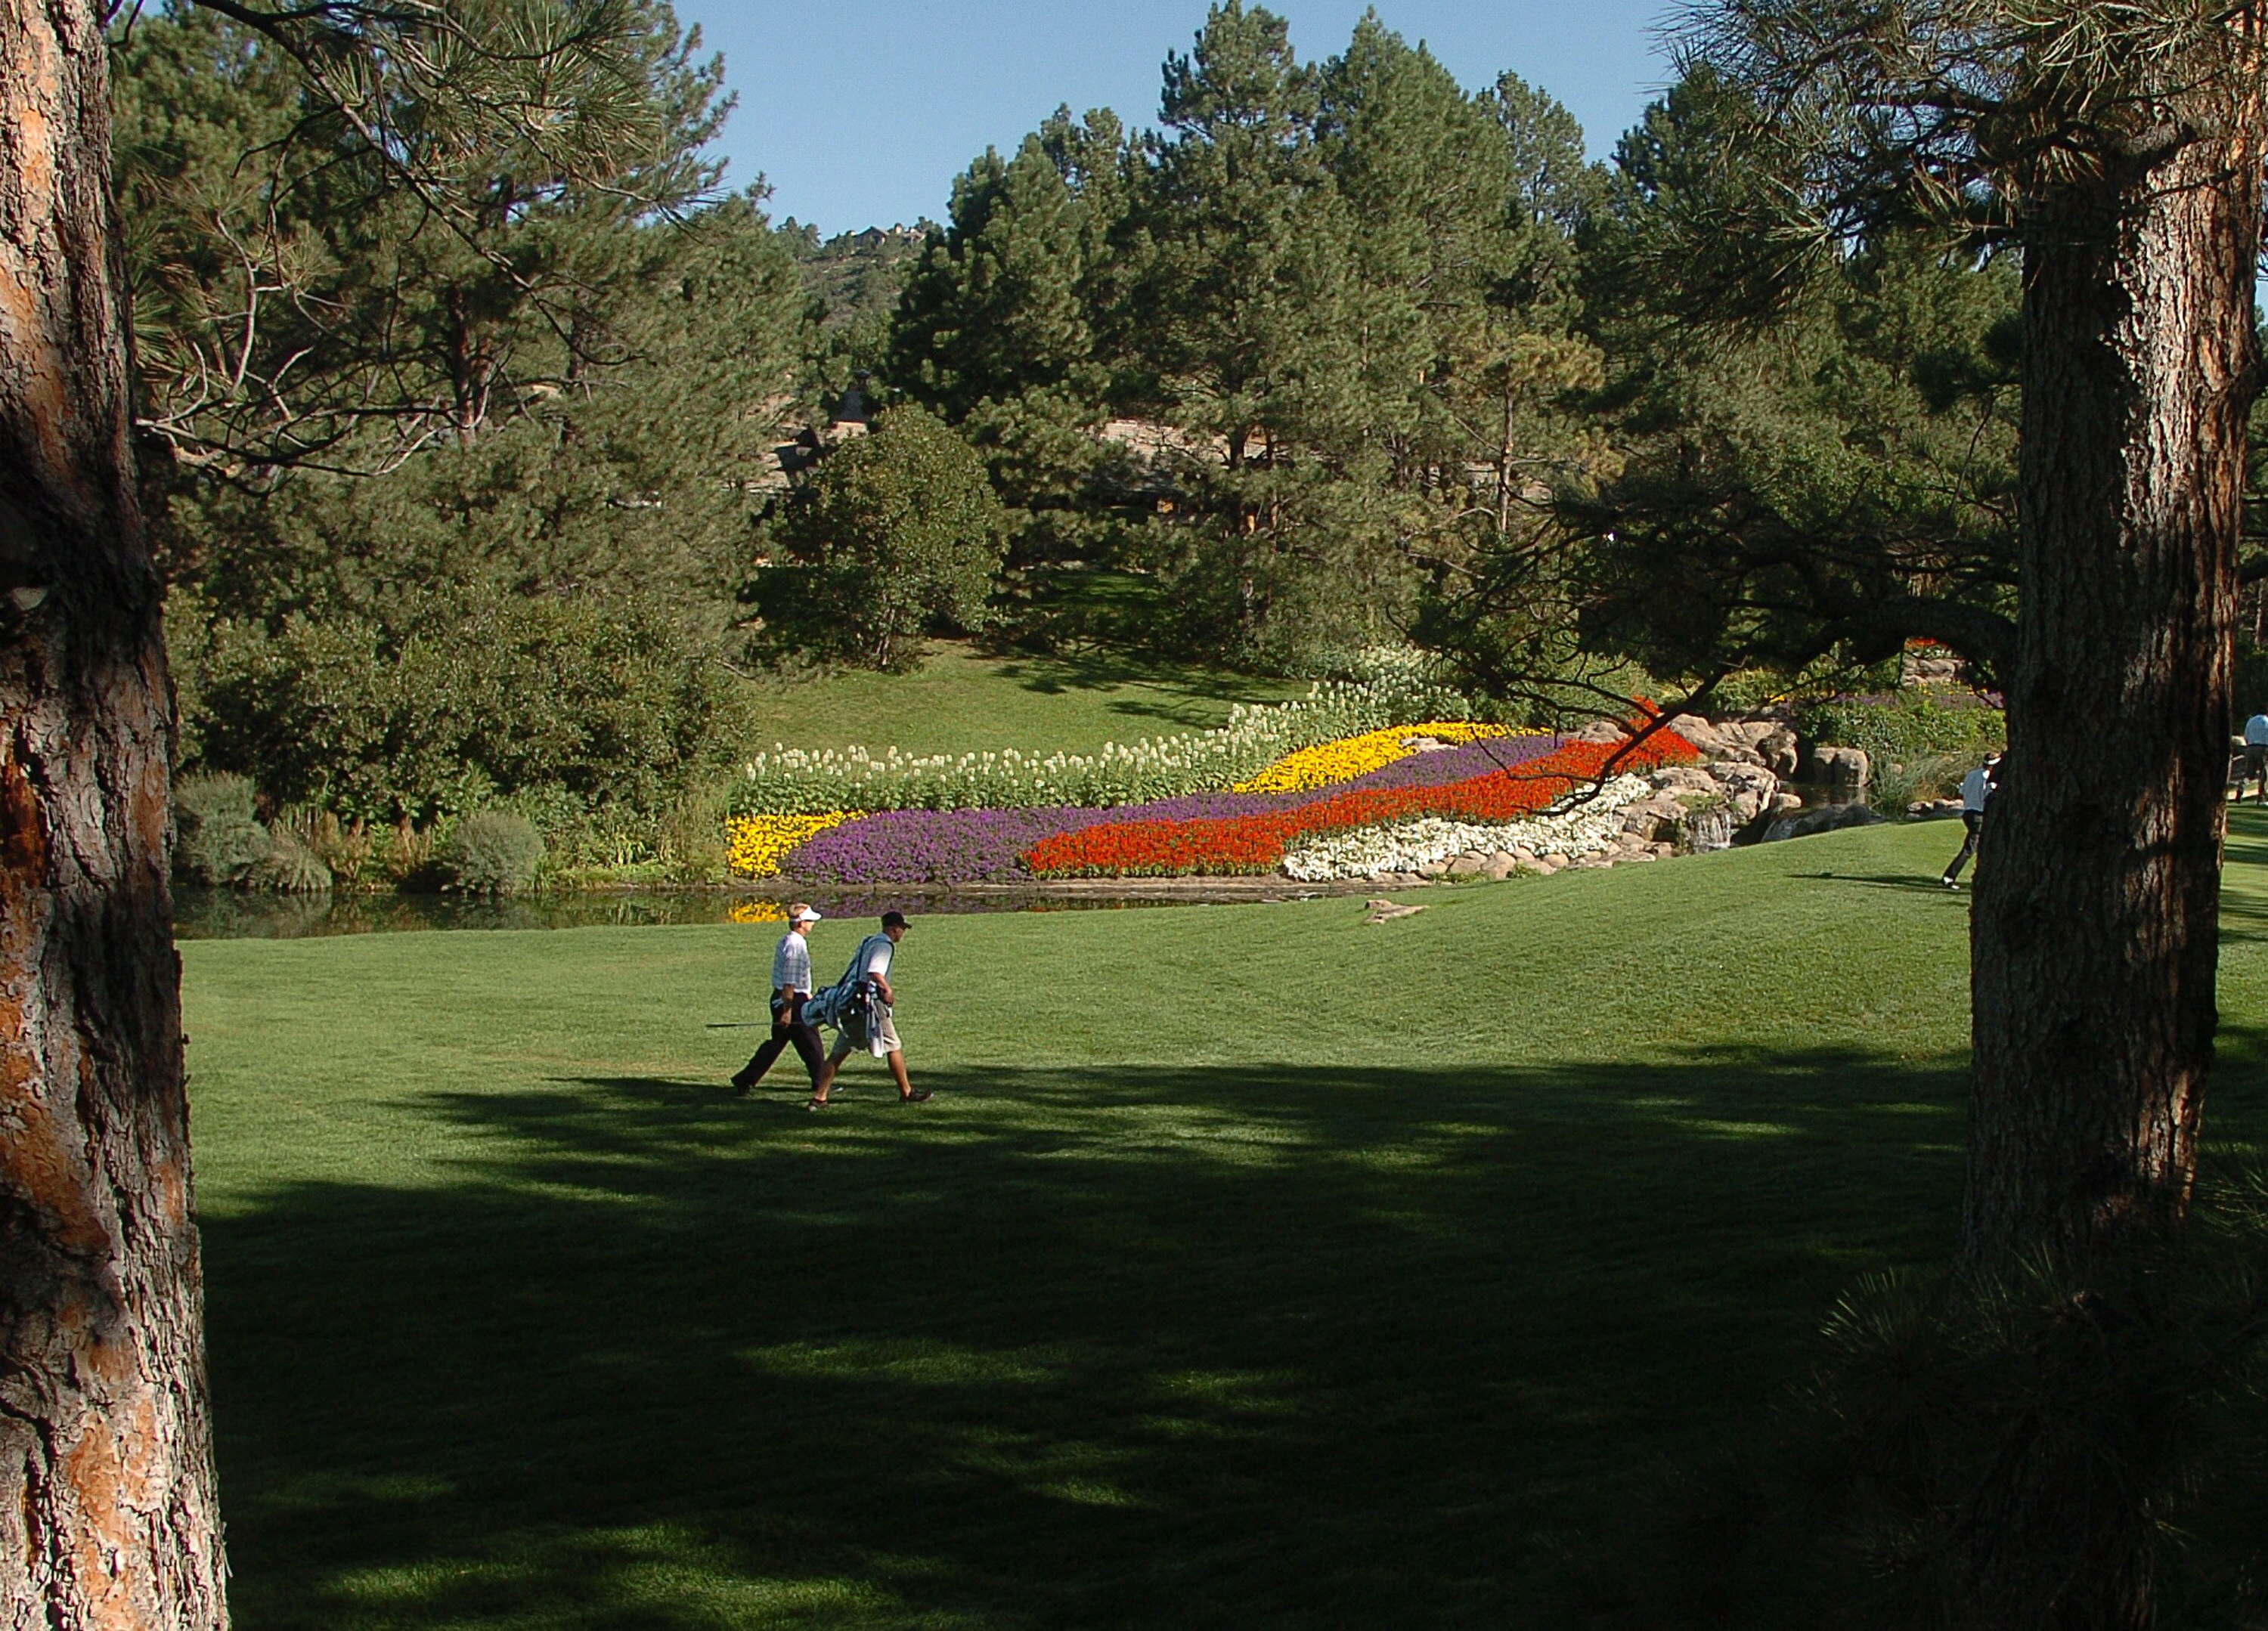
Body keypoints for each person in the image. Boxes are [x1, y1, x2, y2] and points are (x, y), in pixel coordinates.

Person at [807, 910, 929, 1110]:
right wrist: (888, 991)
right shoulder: (884, 945)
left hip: (853, 1003)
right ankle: (906, 1092)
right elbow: (875, 971)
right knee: (894, 1045)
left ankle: (819, 1097)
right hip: (871, 1004)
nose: (902, 934)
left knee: (838, 1052)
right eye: (901, 929)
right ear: (894, 929)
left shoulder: (869, 942)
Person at [730, 904, 827, 1094]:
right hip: (792, 1001)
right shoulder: (795, 945)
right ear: (800, 924)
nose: (812, 924)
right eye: (809, 921)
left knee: (777, 1044)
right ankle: (821, 1083)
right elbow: (790, 982)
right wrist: (787, 1011)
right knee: (811, 1043)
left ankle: (745, 1079)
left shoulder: (788, 941)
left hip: (791, 998)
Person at [1941, 752, 2001, 889]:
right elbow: (1989, 795)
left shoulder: (1972, 774)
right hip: (1979, 815)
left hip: (1967, 813)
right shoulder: (1989, 779)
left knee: (1981, 845)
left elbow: (1962, 791)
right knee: (1970, 848)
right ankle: (1949, 877)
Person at [2242, 711, 2268, 804]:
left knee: (2249, 775)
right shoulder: (2266, 721)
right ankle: (2261, 798)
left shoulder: (2251, 721)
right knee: (2263, 774)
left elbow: (2246, 736)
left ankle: (2241, 786)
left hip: (2250, 748)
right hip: (2262, 748)